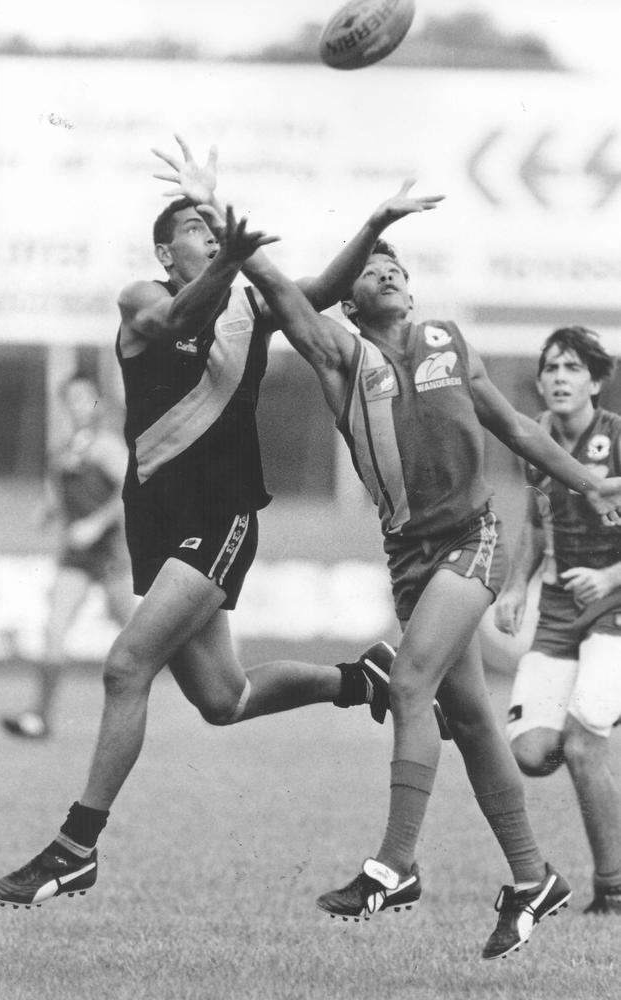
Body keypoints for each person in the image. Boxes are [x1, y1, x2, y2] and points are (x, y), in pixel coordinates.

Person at [0, 139, 445, 910]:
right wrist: (228, 263)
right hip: (155, 516)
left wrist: (370, 224)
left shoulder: (250, 303)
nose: (207, 231)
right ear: (166, 250)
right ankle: (360, 678)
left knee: (127, 664)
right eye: (193, 227)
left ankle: (74, 849)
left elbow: (324, 289)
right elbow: (175, 316)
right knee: (222, 699)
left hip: (222, 514)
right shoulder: (141, 296)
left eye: (212, 223)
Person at [235, 212, 621, 959]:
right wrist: (251, 256)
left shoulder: (448, 340)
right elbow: (287, 302)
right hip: (410, 560)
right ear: (348, 302)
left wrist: (588, 483)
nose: (388, 272)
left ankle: (396, 864)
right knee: (473, 721)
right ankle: (535, 878)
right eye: (371, 269)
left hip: (473, 541)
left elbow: (517, 428)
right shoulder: (341, 357)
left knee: (409, 685)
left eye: (396, 266)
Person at [494, 326, 621, 916]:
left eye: (573, 368)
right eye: (551, 368)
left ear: (596, 381)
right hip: (559, 611)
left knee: (582, 741)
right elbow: (537, 523)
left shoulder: (617, 439)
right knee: (532, 751)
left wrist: (612, 577)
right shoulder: (536, 438)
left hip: (616, 606)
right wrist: (516, 585)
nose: (560, 378)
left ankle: (613, 890)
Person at [0, 373, 136, 740]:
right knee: (54, 629)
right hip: (76, 557)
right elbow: (56, 498)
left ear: (98, 405)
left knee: (141, 639)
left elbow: (132, 492)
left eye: (86, 398)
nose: (79, 405)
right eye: (72, 399)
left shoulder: (106, 447)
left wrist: (95, 522)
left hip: (111, 557)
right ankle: (39, 717)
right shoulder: (61, 451)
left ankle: (199, 692)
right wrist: (44, 512)